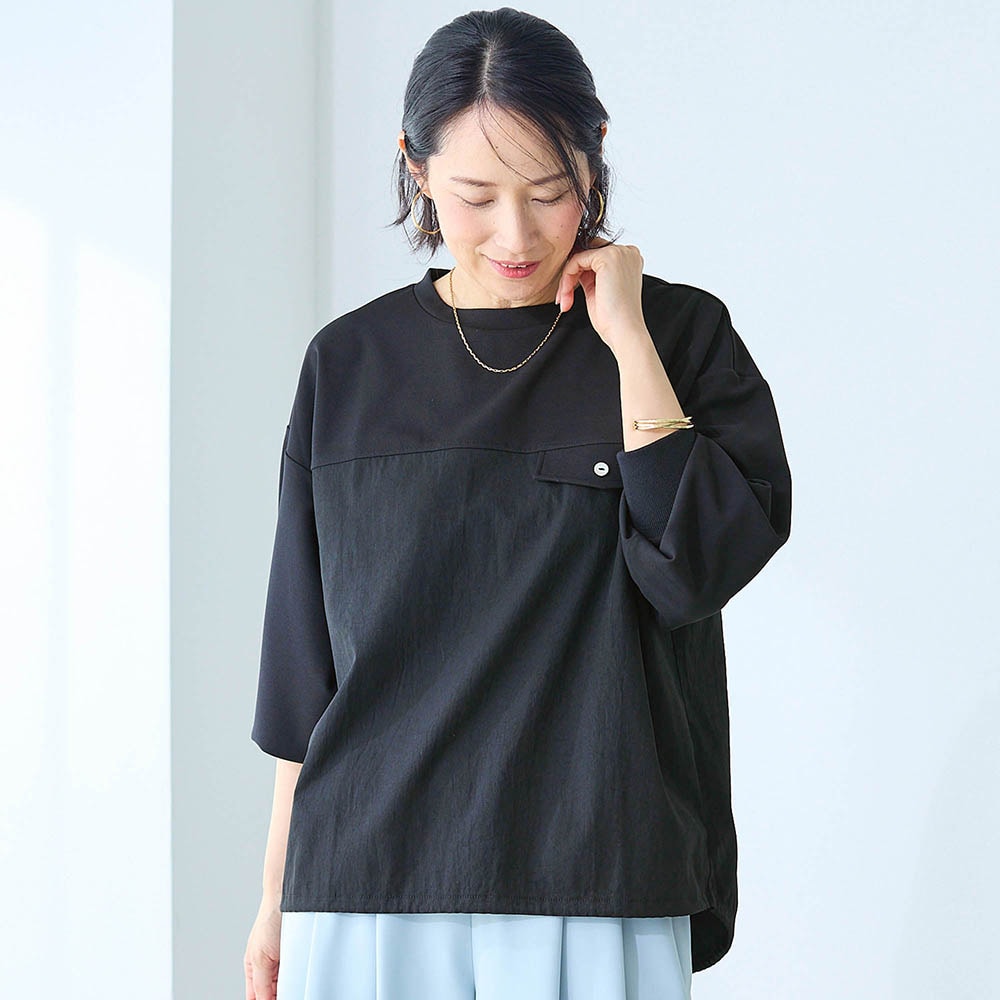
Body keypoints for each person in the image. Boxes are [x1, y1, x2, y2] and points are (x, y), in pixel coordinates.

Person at [243, 8, 792, 999]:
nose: (515, 233)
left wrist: (628, 341)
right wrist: (275, 896)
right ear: (415, 168)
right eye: (474, 195)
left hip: (598, 872)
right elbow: (304, 669)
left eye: (549, 192)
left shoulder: (680, 337)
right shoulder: (348, 365)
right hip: (366, 883)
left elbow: (696, 569)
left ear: (596, 154)